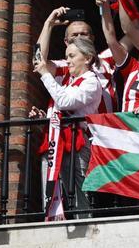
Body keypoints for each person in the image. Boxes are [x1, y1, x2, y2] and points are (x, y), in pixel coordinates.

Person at [35, 36, 106, 217]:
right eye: (67, 56)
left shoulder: (91, 81)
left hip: (76, 143)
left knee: (78, 195)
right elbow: (61, 108)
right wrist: (45, 117)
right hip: (55, 140)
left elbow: (65, 101)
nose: (67, 61)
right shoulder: (68, 82)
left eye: (72, 56)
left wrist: (45, 74)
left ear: (88, 58)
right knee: (52, 191)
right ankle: (55, 224)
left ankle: (83, 229)